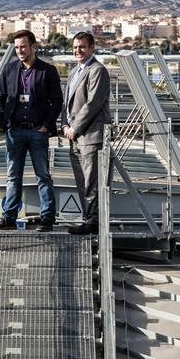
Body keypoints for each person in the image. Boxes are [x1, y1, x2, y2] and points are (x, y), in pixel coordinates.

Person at [0, 29, 63, 232]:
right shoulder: (10, 69)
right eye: (16, 47)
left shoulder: (47, 70)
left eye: (23, 46)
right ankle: (9, 218)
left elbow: (57, 100)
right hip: (14, 131)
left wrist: (47, 125)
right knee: (13, 176)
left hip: (37, 132)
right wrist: (3, 122)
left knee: (43, 175)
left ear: (33, 47)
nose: (20, 51)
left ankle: (47, 218)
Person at [62, 31, 111, 235]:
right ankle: (87, 219)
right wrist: (64, 125)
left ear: (92, 48)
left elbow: (92, 104)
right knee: (82, 182)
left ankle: (93, 222)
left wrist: (75, 128)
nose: (78, 50)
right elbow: (67, 104)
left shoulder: (97, 70)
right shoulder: (75, 72)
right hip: (75, 137)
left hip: (91, 137)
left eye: (82, 46)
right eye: (75, 47)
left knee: (92, 182)